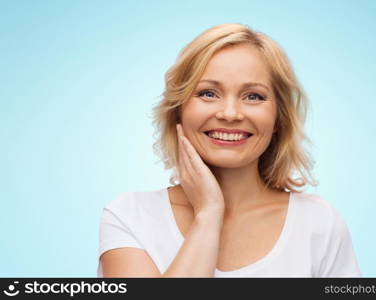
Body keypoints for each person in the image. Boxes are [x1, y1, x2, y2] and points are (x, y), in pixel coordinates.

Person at [97, 23, 361, 277]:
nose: (230, 114)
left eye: (253, 96)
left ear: (278, 119)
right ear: (178, 110)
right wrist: (208, 214)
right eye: (209, 93)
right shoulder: (130, 216)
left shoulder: (319, 223)